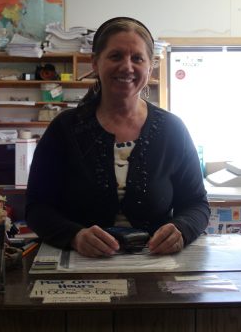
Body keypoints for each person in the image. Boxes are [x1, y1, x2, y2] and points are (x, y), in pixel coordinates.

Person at [25, 17, 210, 257]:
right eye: (115, 56)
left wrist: (181, 230)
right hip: (82, 269)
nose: (127, 67)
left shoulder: (172, 130)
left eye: (137, 58)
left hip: (155, 267)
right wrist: (74, 236)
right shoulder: (65, 129)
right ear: (95, 62)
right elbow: (37, 208)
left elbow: (197, 203)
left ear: (150, 66)